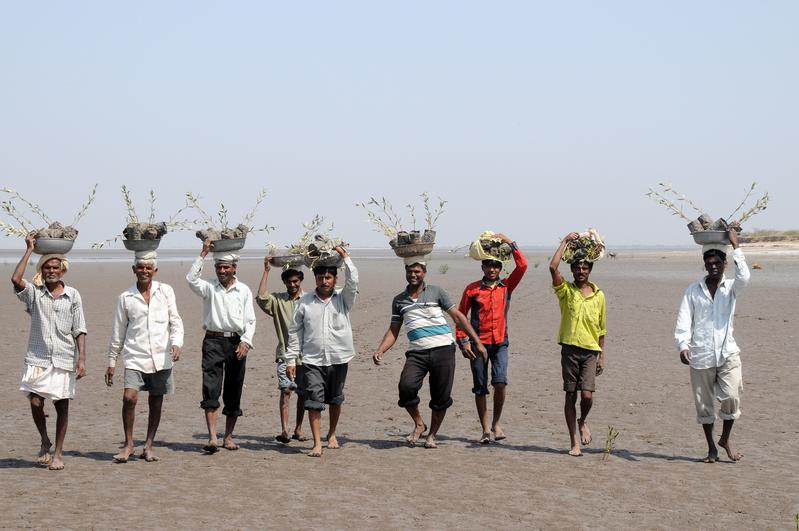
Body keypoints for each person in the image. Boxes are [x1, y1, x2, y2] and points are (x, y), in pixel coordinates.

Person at [373, 258, 487, 449]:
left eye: (417, 271)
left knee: (440, 396)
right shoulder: (399, 300)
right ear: (406, 272)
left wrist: (477, 342)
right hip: (417, 352)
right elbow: (394, 330)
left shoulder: (437, 292)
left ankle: (432, 435)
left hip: (443, 349)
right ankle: (419, 423)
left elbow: (458, 317)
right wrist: (381, 349)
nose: (413, 275)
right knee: (406, 387)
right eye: (410, 271)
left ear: (424, 272)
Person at [11, 233, 87, 470]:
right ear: (42, 270)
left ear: (62, 270)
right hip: (38, 356)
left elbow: (80, 329)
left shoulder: (72, 295)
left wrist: (82, 358)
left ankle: (58, 453)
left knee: (62, 406)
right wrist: (28, 249)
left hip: (64, 357)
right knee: (35, 402)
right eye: (46, 267)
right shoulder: (35, 293)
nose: (51, 271)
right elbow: (16, 279)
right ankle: (44, 439)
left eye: (55, 267)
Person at [675, 226, 749, 463]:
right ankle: (712, 448)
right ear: (705, 265)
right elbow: (684, 321)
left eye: (718, 262)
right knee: (704, 405)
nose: (714, 266)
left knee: (732, 396)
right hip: (701, 355)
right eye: (710, 263)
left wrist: (736, 245)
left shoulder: (731, 289)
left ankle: (725, 438)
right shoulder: (693, 291)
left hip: (728, 352)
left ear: (725, 264)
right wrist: (683, 346)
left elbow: (745, 277)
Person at [105, 252, 184, 463]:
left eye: (149, 268)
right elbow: (118, 331)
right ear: (134, 270)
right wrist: (112, 361)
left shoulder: (166, 291)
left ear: (155, 271)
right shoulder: (125, 297)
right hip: (134, 356)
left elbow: (175, 321)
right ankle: (129, 444)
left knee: (156, 402)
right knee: (129, 398)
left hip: (161, 356)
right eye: (141, 267)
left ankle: (148, 445)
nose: (145, 271)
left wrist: (176, 343)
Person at [456, 233, 527, 443]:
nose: (492, 269)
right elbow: (461, 316)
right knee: (480, 387)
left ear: (500, 267)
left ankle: (496, 423)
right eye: (488, 265)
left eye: (496, 265)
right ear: (482, 267)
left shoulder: (507, 287)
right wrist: (463, 341)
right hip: (478, 345)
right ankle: (485, 428)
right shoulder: (472, 289)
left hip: (500, 343)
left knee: (500, 383)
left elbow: (522, 266)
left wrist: (509, 242)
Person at [285, 247, 356, 457]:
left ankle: (331, 434)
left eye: (328, 277)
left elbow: (354, 282)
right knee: (313, 400)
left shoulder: (344, 299)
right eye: (320, 277)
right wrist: (290, 359)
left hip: (339, 358)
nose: (324, 281)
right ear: (314, 279)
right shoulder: (304, 302)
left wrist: (346, 258)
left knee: (335, 399)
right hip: (312, 360)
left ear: (335, 279)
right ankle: (316, 443)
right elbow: (295, 332)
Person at [186, 239, 256, 453]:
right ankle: (212, 438)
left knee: (234, 388)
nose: (222, 270)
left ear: (234, 268)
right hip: (213, 341)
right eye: (219, 267)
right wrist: (203, 254)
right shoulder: (208, 287)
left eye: (226, 267)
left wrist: (246, 341)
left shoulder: (243, 290)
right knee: (210, 387)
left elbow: (250, 320)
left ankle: (228, 437)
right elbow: (190, 279)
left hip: (236, 342)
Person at [549, 232, 606, 457]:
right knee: (570, 395)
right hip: (570, 350)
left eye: (584, 268)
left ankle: (583, 420)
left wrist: (602, 355)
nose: (580, 271)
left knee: (587, 396)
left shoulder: (599, 295)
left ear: (590, 270)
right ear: (572, 270)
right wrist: (564, 241)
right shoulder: (566, 291)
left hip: (591, 351)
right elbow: (553, 268)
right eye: (577, 268)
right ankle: (574, 441)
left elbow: (602, 328)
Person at [256, 257, 306, 444]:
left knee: (302, 393)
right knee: (286, 390)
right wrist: (267, 271)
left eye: (296, 281)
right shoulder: (277, 300)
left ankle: (298, 429)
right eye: (289, 282)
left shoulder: (308, 299)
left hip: (306, 355)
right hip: (285, 354)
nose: (293, 285)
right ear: (284, 282)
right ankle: (284, 430)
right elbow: (261, 298)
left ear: (300, 280)